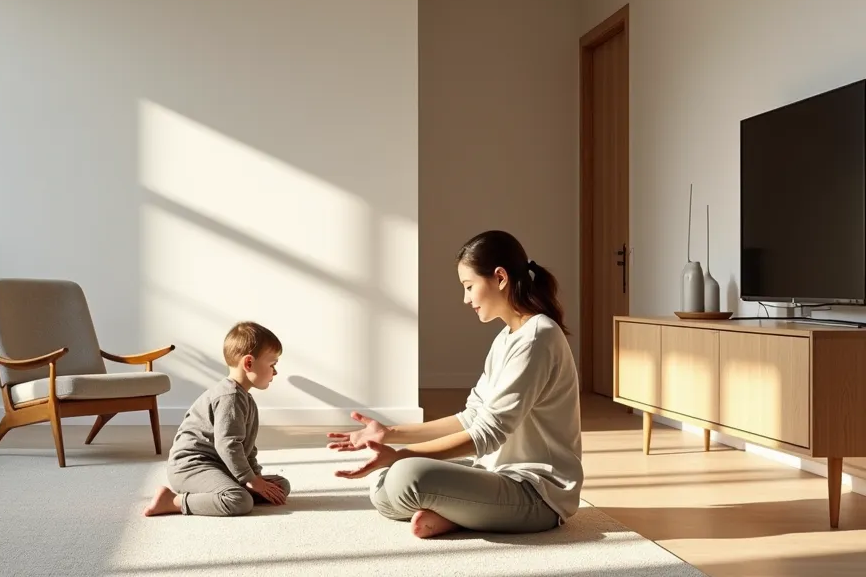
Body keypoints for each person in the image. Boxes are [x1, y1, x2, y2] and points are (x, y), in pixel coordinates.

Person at [327, 230, 583, 538]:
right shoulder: (507, 338)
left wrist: (403, 455)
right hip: (495, 476)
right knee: (384, 484)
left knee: (406, 477)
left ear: (499, 278)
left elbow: (487, 433)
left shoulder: (538, 336)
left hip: (536, 495)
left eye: (469, 286)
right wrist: (391, 434)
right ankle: (458, 513)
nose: (466, 298)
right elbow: (471, 417)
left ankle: (458, 511)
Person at [143, 321, 291, 516]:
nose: (276, 372)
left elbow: (247, 449)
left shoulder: (246, 399)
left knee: (281, 485)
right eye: (272, 365)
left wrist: (256, 479)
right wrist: (252, 481)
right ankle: (172, 501)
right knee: (239, 501)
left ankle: (227, 490)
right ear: (248, 363)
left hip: (222, 465)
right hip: (192, 467)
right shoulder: (229, 398)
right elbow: (228, 445)